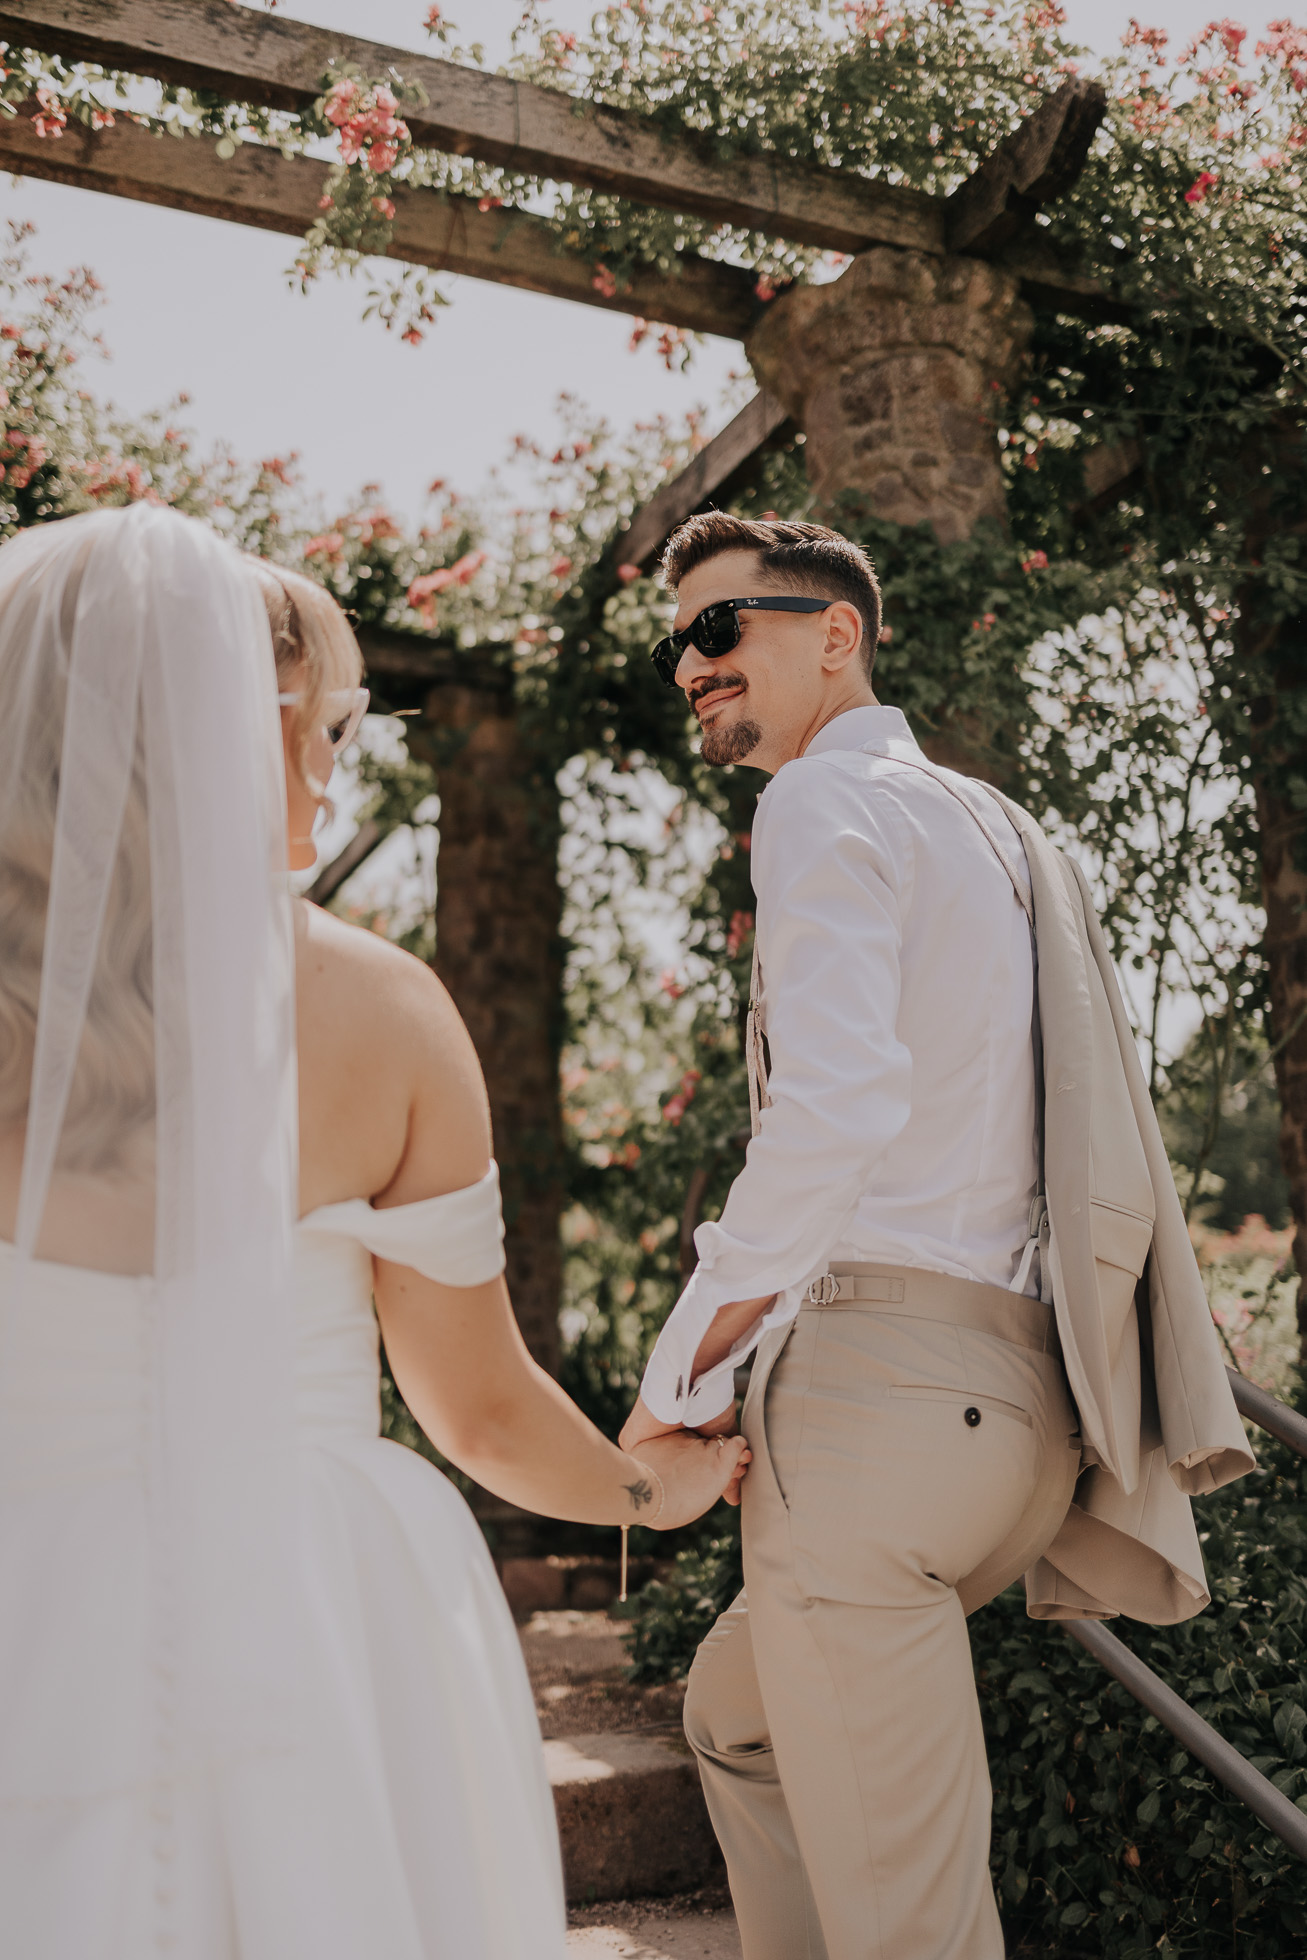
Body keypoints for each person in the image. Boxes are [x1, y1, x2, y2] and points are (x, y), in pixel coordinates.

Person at [0, 503, 748, 1960]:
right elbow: (472, 1404)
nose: (337, 769)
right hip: (310, 1615)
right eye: (332, 725)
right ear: (242, 722)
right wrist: (659, 1492)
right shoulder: (381, 1007)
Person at [620, 513, 1252, 1960]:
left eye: (721, 631)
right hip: (1025, 1427)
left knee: (915, 1925)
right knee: (736, 1720)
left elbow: (836, 1109)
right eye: (678, 647)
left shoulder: (818, 806)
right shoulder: (994, 827)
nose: (692, 667)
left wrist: (679, 1382)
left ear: (835, 636)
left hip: (879, 1410)